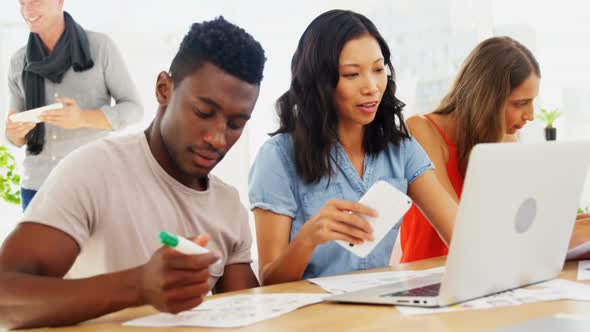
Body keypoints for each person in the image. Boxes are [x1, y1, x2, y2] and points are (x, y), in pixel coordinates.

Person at [0, 16, 266, 329]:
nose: (218, 138)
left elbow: (250, 314)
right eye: (203, 113)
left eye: (236, 124)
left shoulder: (227, 206)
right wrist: (137, 286)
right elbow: (5, 299)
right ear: (164, 89)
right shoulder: (94, 171)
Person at [248, 9, 457, 286]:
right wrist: (308, 238)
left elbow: (460, 237)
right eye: (351, 74)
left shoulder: (401, 150)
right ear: (319, 81)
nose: (371, 87)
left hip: (379, 314)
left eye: (378, 69)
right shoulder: (277, 157)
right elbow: (270, 282)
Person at [399, 36, 590, 263]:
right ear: (487, 100)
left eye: (532, 102)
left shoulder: (505, 139)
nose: (530, 115)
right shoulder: (421, 130)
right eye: (520, 103)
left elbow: (521, 225)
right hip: (430, 277)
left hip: (492, 272)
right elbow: (463, 235)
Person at [4, 0, 143, 210]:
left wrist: (82, 118)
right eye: (22, 3)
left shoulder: (100, 47)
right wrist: (14, 131)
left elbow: (134, 109)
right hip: (36, 189)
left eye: (35, 1)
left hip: (91, 186)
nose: (27, 10)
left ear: (59, 2)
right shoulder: (18, 61)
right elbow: (14, 136)